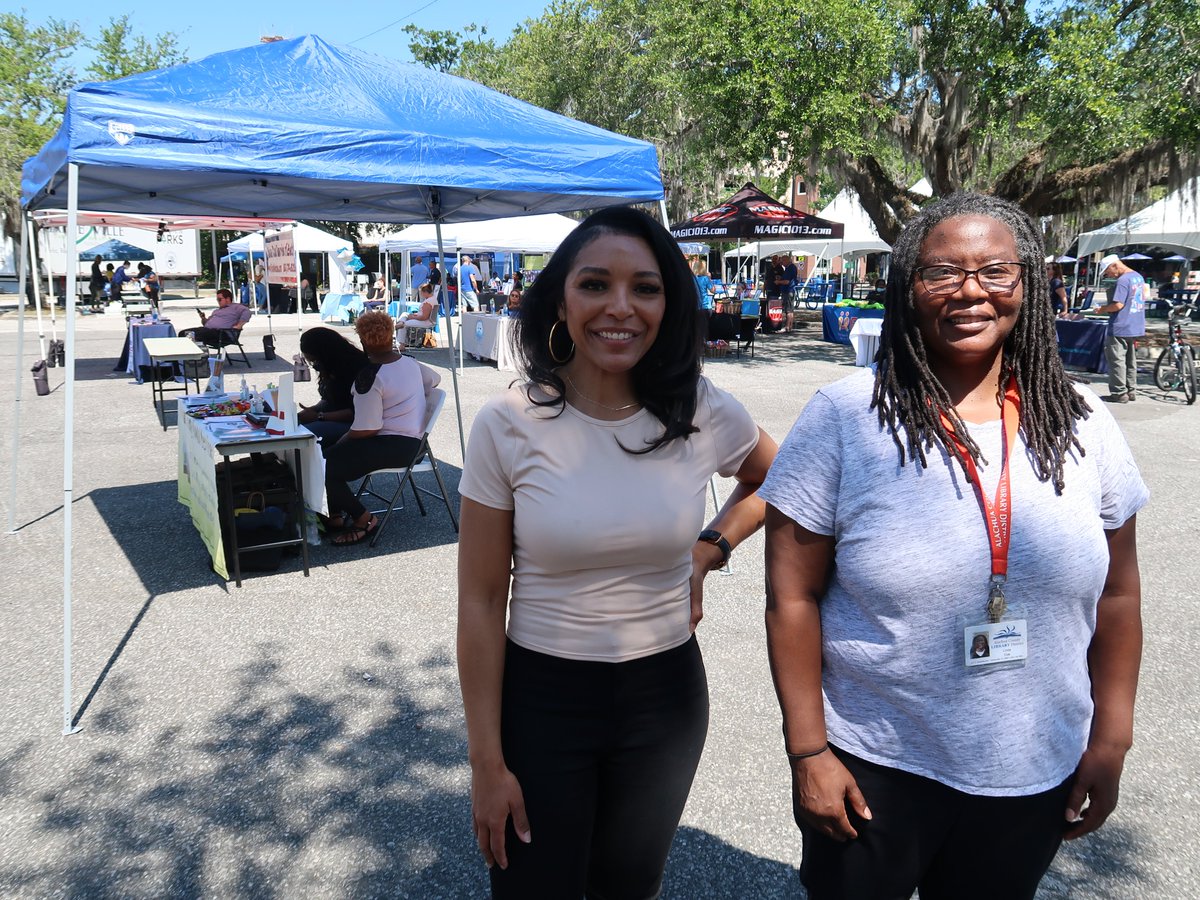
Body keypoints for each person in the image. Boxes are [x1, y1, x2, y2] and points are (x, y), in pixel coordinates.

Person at [759, 193, 1148, 900]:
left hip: (1033, 766)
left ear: (1027, 285)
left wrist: (1111, 738)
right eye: (942, 272)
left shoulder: (1084, 421)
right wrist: (808, 749)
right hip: (875, 765)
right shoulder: (847, 416)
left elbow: (1119, 593)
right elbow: (791, 596)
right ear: (908, 286)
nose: (971, 291)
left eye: (996, 270)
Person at [456, 206, 777, 897]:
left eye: (647, 288)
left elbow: (779, 478)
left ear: (670, 303)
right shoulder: (508, 423)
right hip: (541, 697)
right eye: (595, 284)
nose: (621, 309)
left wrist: (708, 549)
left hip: (663, 699)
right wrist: (486, 759)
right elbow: (481, 602)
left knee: (626, 889)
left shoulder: (699, 408)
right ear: (560, 300)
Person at [323, 311, 440, 545]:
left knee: (321, 464)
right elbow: (435, 380)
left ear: (364, 342)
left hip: (391, 445)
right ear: (391, 335)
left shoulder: (370, 376)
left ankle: (364, 519)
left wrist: (344, 439)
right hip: (415, 444)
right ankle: (334, 514)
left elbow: (368, 428)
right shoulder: (410, 363)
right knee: (327, 449)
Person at [297, 326, 368, 455]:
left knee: (303, 436)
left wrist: (319, 416)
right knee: (293, 430)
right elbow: (330, 400)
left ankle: (309, 472)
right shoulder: (332, 366)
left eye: (315, 361)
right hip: (337, 416)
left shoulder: (356, 369)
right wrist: (314, 409)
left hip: (355, 424)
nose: (315, 366)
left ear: (325, 354)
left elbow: (357, 411)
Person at [1092, 254, 1147, 403]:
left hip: (1120, 326)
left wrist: (1102, 309)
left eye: (1107, 271)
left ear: (1115, 265)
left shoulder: (1123, 280)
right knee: (1130, 360)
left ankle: (1119, 392)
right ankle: (1131, 389)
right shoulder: (1138, 277)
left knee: (1117, 360)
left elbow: (1118, 305)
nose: (1108, 275)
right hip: (1135, 324)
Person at [180, 288, 252, 347]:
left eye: (220, 299)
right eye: (217, 300)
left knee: (194, 335)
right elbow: (206, 324)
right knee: (183, 333)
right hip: (209, 330)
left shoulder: (236, 307)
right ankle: (190, 357)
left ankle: (198, 357)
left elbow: (247, 312)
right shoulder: (217, 311)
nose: (218, 301)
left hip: (223, 334)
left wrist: (239, 325)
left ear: (228, 299)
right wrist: (203, 318)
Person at [777, 254, 799, 332]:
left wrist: (778, 282)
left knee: (788, 310)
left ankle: (787, 326)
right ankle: (789, 327)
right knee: (790, 310)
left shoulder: (791, 268)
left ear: (787, 260)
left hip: (788, 291)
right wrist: (781, 278)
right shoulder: (788, 268)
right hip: (789, 291)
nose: (782, 263)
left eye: (782, 261)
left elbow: (787, 281)